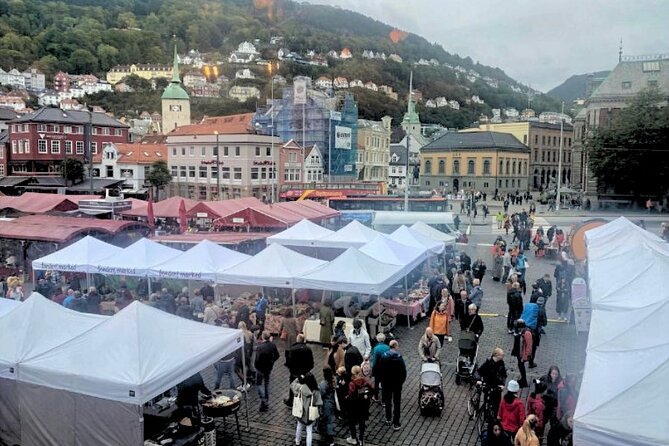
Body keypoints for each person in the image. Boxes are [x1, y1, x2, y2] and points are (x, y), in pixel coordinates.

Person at [378, 340, 407, 431]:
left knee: (387, 401)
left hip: (386, 383)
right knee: (397, 402)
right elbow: (403, 372)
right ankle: (396, 423)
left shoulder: (384, 357)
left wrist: (382, 381)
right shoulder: (399, 358)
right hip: (397, 384)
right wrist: (401, 382)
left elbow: (380, 370)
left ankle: (388, 418)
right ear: (395, 346)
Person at [290, 372, 322, 446]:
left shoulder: (300, 387)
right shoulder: (316, 391)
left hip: (300, 412)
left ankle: (297, 441)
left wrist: (299, 378)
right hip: (310, 414)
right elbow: (319, 403)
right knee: (309, 431)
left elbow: (292, 384)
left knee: (299, 426)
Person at [346, 365, 374, 445]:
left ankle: (353, 438)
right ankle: (361, 439)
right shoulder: (365, 381)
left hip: (354, 407)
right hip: (364, 406)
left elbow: (350, 394)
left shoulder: (352, 383)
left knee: (352, 422)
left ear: (353, 374)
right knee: (362, 422)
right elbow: (372, 389)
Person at [284, 334, 314, 407]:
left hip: (295, 372)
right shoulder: (308, 349)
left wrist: (291, 370)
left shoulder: (293, 349)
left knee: (293, 387)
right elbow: (311, 362)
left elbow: (289, 361)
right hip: (304, 372)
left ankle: (291, 401)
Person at [254, 330, 280, 412]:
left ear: (262, 337)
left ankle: (264, 399)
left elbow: (257, 360)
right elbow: (277, 355)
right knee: (267, 383)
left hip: (260, 368)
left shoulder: (260, 347)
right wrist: (272, 362)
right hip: (268, 368)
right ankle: (266, 400)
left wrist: (256, 366)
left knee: (258, 384)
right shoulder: (272, 345)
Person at [477, 348, 507, 416]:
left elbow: (503, 375)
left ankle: (494, 417)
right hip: (488, 384)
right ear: (496, 355)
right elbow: (479, 371)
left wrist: (502, 384)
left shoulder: (501, 363)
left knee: (496, 404)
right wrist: (479, 380)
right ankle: (485, 413)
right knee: (486, 400)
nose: (503, 357)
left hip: (497, 386)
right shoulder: (488, 362)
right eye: (501, 355)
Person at [512, 319, 533, 388]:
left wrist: (525, 357)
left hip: (522, 354)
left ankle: (524, 381)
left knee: (521, 366)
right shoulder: (520, 330)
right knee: (520, 366)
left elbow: (529, 346)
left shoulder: (527, 333)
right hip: (519, 352)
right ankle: (523, 379)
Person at [319, 367, 337, 446]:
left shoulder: (323, 384)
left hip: (326, 403)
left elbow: (321, 394)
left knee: (327, 420)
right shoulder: (333, 380)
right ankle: (321, 429)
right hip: (332, 402)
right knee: (327, 418)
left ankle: (330, 438)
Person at [370, 332, 389, 403]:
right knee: (384, 384)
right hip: (386, 368)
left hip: (378, 369)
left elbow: (374, 361)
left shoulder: (376, 348)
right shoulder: (388, 347)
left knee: (376, 383)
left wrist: (373, 369)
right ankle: (384, 401)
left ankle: (376, 397)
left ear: (378, 340)